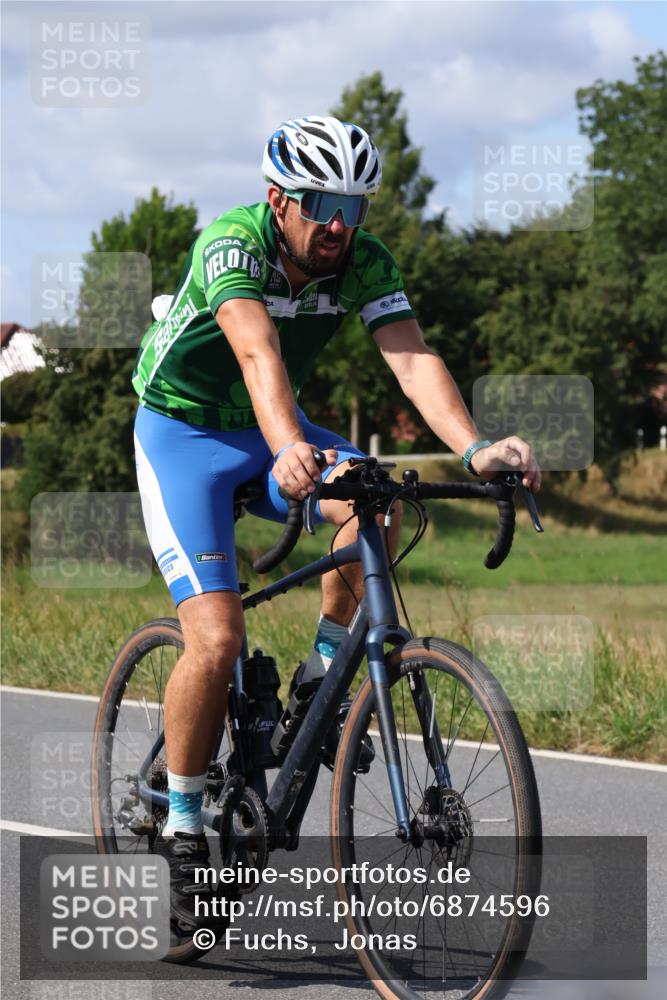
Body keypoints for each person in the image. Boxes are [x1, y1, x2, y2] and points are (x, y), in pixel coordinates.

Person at [131, 114, 541, 937]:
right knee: (214, 639)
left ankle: (322, 677)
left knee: (377, 501)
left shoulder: (363, 259)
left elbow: (411, 358)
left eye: (354, 208)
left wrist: (473, 448)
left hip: (275, 426)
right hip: (182, 433)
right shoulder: (231, 245)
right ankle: (180, 825)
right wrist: (287, 450)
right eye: (321, 205)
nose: (339, 226)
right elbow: (257, 356)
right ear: (279, 199)